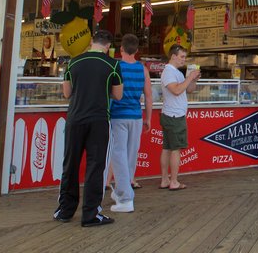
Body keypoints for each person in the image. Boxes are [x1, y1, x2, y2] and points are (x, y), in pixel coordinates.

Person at [54, 30, 123, 227]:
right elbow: (118, 95)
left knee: (70, 164)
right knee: (95, 167)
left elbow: (67, 93)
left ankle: (65, 211)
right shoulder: (113, 64)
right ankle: (90, 214)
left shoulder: (73, 62)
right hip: (99, 120)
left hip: (75, 118)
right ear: (108, 46)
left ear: (91, 42)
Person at [106, 33, 152, 213]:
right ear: (137, 51)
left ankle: (125, 197)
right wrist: (148, 118)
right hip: (136, 116)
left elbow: (109, 91)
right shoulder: (143, 69)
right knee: (131, 155)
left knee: (118, 155)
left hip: (118, 115)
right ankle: (122, 190)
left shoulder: (115, 66)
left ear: (121, 49)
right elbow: (148, 96)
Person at [159, 45, 199, 189]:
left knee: (167, 147)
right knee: (175, 149)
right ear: (173, 56)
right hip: (174, 115)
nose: (184, 60)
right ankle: (174, 181)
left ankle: (165, 180)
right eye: (182, 57)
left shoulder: (176, 72)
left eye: (184, 57)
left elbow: (189, 90)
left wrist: (193, 79)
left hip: (171, 114)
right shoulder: (169, 72)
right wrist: (189, 77)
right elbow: (176, 90)